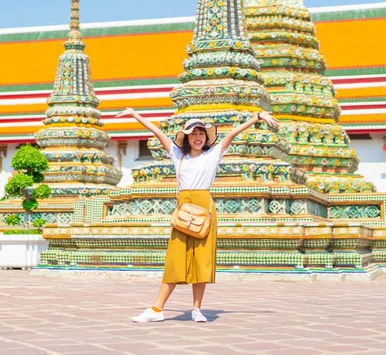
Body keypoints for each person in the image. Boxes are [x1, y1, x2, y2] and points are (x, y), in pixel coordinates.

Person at [115, 107, 278, 323]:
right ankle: (157, 309)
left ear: (206, 137)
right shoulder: (177, 155)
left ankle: (196, 309)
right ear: (187, 137)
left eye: (201, 133)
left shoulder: (213, 155)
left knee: (201, 261)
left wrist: (257, 117)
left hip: (204, 208)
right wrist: (135, 115)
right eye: (193, 134)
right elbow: (158, 133)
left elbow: (231, 134)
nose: (198, 137)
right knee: (175, 260)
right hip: (184, 209)